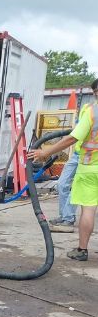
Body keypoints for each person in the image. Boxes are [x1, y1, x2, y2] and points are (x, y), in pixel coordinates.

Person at [28, 78, 98, 261]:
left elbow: (72, 138)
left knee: (88, 210)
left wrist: (45, 152)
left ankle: (82, 250)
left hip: (90, 167)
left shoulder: (92, 112)